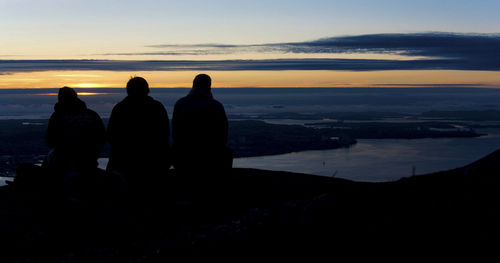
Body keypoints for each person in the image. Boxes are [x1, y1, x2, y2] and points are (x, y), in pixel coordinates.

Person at [106, 76, 171, 186]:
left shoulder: (120, 108)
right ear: (147, 90)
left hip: (123, 162)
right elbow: (164, 135)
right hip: (153, 163)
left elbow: (111, 135)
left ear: (128, 90)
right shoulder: (157, 107)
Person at [43, 87, 106, 184]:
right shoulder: (92, 115)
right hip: (88, 162)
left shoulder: (58, 116)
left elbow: (50, 140)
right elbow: (101, 137)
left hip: (63, 162)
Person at [172, 74, 233, 173]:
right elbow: (223, 135)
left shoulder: (180, 104)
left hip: (184, 157)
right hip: (211, 158)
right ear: (209, 86)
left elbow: (175, 134)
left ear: (193, 85)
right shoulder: (216, 106)